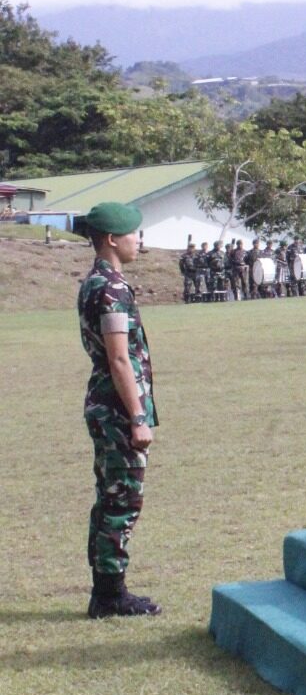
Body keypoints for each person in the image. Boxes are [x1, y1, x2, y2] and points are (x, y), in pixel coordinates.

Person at [75, 202, 162, 618]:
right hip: (117, 410)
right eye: (133, 234)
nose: (138, 240)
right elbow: (119, 359)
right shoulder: (111, 289)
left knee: (108, 497)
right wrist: (139, 416)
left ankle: (105, 589)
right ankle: (110, 595)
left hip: (106, 405)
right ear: (112, 239)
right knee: (122, 500)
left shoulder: (95, 282)